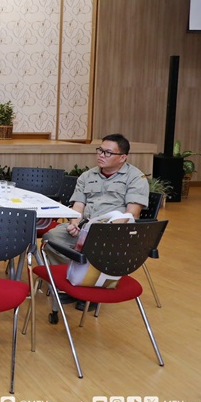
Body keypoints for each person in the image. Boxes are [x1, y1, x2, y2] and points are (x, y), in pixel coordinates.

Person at [42, 133, 148, 311]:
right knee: (51, 238)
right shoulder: (87, 176)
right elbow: (78, 206)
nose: (101, 155)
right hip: (85, 226)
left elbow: (132, 214)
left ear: (122, 157)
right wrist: (74, 223)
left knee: (94, 245)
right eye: (100, 150)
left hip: (112, 232)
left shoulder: (135, 178)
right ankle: (75, 282)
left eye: (108, 153)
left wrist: (107, 228)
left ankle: (92, 286)